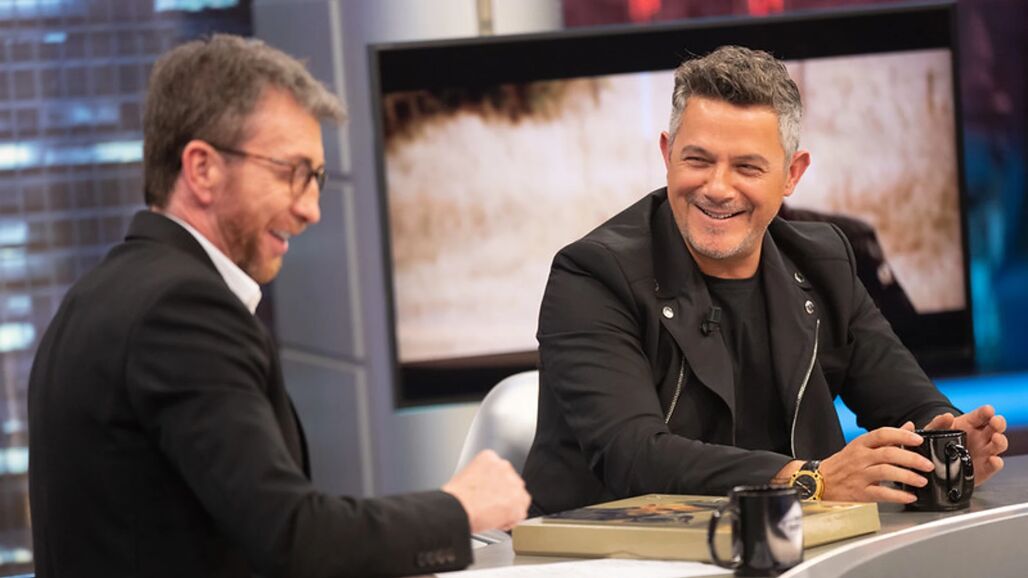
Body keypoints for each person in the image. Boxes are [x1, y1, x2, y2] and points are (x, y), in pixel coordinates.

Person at [27, 34, 529, 578]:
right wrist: (458, 511)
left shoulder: (98, 295)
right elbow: (294, 539)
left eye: (316, 179)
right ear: (202, 169)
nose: (311, 209)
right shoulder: (180, 310)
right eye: (291, 172)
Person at [521, 45, 1008, 516]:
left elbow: (911, 405)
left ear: (792, 174)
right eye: (698, 160)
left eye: (747, 167)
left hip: (794, 546)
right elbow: (633, 455)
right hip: (613, 552)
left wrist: (951, 444)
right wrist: (810, 480)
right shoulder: (592, 276)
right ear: (667, 155)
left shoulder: (824, 261)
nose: (717, 187)